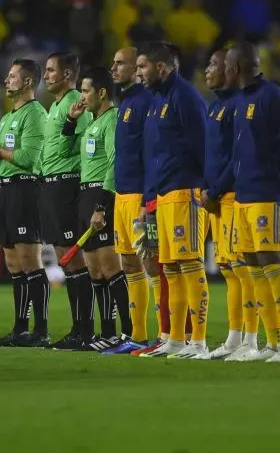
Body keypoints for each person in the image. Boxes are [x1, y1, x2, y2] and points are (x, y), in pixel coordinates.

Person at [228, 42, 280, 362]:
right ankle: (273, 342)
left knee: (272, 259)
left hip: (269, 192)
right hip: (245, 193)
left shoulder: (270, 96)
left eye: (228, 65)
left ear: (237, 68)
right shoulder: (243, 99)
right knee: (254, 264)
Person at [135, 42, 210, 359]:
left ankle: (199, 342)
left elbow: (203, 145)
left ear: (161, 68)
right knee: (171, 268)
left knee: (190, 263)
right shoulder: (157, 100)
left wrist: (206, 187)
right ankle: (176, 339)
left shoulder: (185, 97)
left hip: (186, 191)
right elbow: (155, 154)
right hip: (163, 195)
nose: (139, 73)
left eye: (143, 67)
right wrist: (150, 195)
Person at [0, 59, 50, 347]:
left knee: (30, 261)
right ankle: (21, 329)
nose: (6, 80)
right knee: (13, 263)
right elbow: (4, 160)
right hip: (7, 190)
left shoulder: (35, 114)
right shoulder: (8, 117)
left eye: (12, 76)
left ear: (28, 82)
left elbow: (28, 159)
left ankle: (41, 331)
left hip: (27, 191)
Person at [66, 66, 133, 351]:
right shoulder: (91, 121)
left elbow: (114, 164)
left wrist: (101, 206)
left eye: (85, 90)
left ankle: (127, 332)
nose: (81, 97)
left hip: (101, 195)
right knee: (95, 270)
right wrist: (71, 119)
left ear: (102, 92)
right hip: (85, 192)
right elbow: (67, 143)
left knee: (110, 267)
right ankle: (106, 333)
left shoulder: (112, 119)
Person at [38, 52, 94, 350]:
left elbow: (85, 145)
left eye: (50, 70)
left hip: (68, 184)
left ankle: (86, 329)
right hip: (52, 184)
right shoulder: (55, 106)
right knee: (66, 259)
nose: (46, 76)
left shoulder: (77, 104)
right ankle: (77, 329)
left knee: (75, 258)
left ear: (68, 74)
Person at [200, 49, 251, 360]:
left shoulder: (237, 106)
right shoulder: (215, 106)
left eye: (213, 65)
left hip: (233, 196)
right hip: (216, 199)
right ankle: (235, 338)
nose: (207, 70)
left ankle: (252, 339)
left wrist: (215, 189)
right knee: (230, 270)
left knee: (244, 269)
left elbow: (238, 156)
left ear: (231, 70)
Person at [107, 47, 157, 354]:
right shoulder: (126, 102)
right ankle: (137, 336)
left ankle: (168, 335)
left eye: (120, 63)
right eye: (113, 63)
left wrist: (147, 199)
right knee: (128, 264)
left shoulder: (145, 102)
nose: (114, 68)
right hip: (121, 195)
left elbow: (151, 153)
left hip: (140, 196)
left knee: (151, 263)